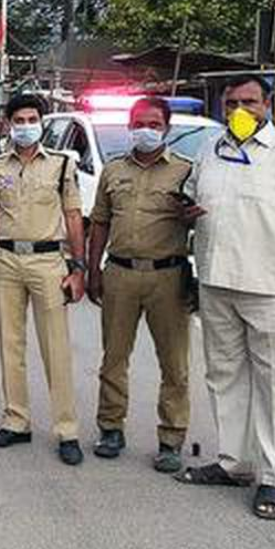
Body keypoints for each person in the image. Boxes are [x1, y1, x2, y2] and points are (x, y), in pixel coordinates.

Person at [174, 75, 275, 521]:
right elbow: (193, 202)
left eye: (250, 101)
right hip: (218, 282)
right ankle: (234, 463)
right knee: (224, 376)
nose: (241, 108)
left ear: (268, 104)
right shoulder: (210, 149)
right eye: (233, 101)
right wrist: (187, 212)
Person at [0, 93, 87, 466]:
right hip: (5, 261)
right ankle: (16, 420)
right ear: (7, 124)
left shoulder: (60, 166)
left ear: (41, 122)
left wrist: (78, 268)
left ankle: (66, 429)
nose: (25, 125)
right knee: (11, 345)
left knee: (56, 348)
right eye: (18, 119)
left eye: (31, 119)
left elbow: (73, 218)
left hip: (48, 262)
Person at [85, 97, 194, 472]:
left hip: (169, 275)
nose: (145, 130)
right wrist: (92, 271)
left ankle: (171, 438)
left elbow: (201, 222)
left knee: (174, 364)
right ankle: (111, 428)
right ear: (129, 127)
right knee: (113, 358)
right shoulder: (113, 171)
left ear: (166, 127)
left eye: (154, 123)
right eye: (139, 123)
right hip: (119, 273)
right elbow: (99, 222)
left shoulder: (186, 171)